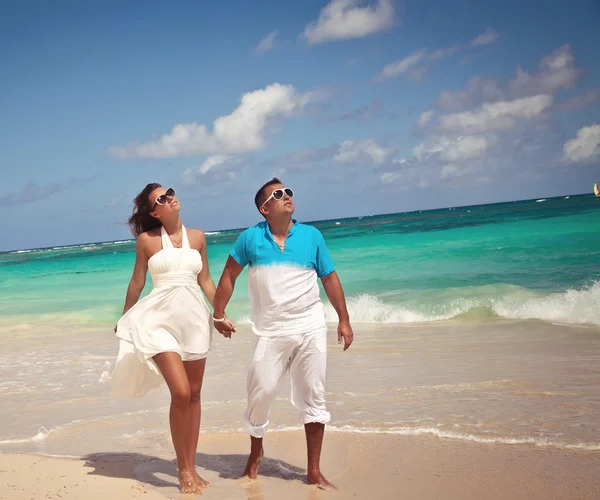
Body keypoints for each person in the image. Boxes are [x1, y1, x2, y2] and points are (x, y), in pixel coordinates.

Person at [212, 178, 354, 489]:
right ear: (265, 208)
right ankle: (255, 452)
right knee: (260, 390)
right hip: (271, 331)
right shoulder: (250, 239)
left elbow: (329, 278)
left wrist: (343, 319)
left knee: (314, 395)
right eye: (278, 194)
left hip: (310, 326)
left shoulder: (312, 236)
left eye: (289, 191)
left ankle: (313, 471)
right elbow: (228, 275)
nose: (287, 196)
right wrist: (218, 314)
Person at [111, 183, 235, 494]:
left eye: (170, 191)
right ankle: (182, 470)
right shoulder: (146, 240)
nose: (170, 197)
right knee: (180, 392)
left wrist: (219, 314)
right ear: (154, 212)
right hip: (158, 321)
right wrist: (125, 317)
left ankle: (191, 466)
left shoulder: (198, 236)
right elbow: (137, 281)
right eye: (162, 198)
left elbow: (205, 280)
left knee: (194, 395)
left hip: (193, 320)